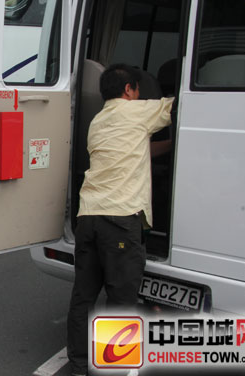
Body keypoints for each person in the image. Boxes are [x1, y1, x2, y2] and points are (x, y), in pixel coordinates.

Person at [66, 64, 174, 376]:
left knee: (83, 297)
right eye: (138, 90)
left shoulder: (98, 121)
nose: (139, 96)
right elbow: (181, 104)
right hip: (120, 220)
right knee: (121, 300)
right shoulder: (137, 112)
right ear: (129, 90)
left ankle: (78, 366)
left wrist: (171, 146)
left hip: (89, 217)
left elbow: (136, 149)